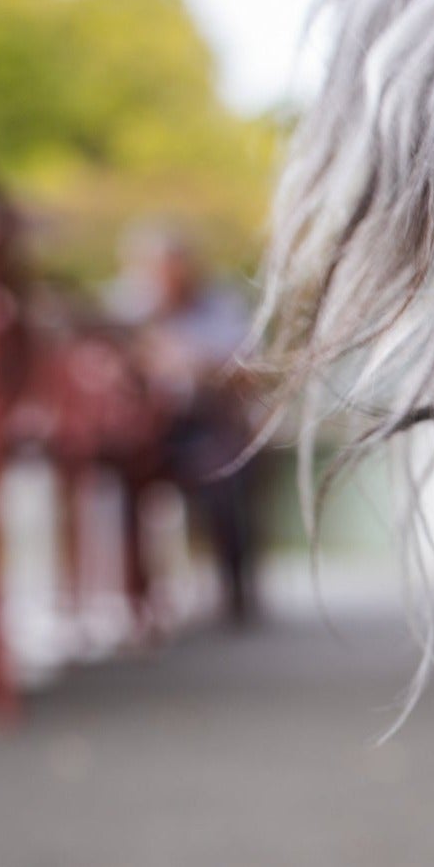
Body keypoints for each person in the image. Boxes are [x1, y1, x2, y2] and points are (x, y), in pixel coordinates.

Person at [111, 228, 261, 624]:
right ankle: (138, 599)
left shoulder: (220, 305)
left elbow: (246, 369)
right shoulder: (128, 308)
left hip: (207, 421)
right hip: (146, 425)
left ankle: (236, 593)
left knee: (225, 474)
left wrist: (195, 363)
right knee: (121, 476)